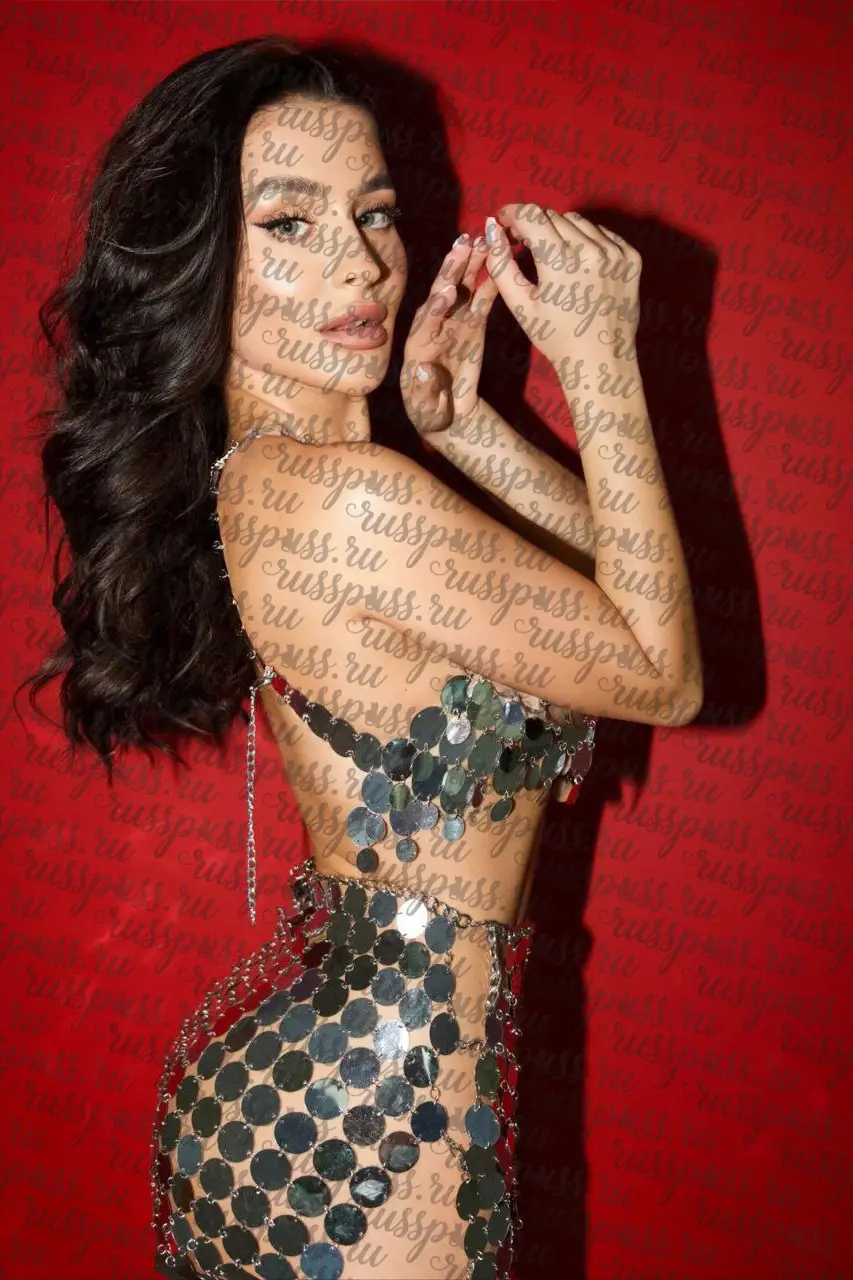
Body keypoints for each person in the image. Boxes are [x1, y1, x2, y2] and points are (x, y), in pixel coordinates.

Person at [20, 35, 703, 1280]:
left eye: (374, 211)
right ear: (206, 263)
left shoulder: (298, 482)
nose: (363, 263)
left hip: (350, 1090)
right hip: (377, 1131)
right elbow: (665, 670)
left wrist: (471, 431)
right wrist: (603, 361)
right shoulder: (345, 498)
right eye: (290, 223)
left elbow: (614, 600)